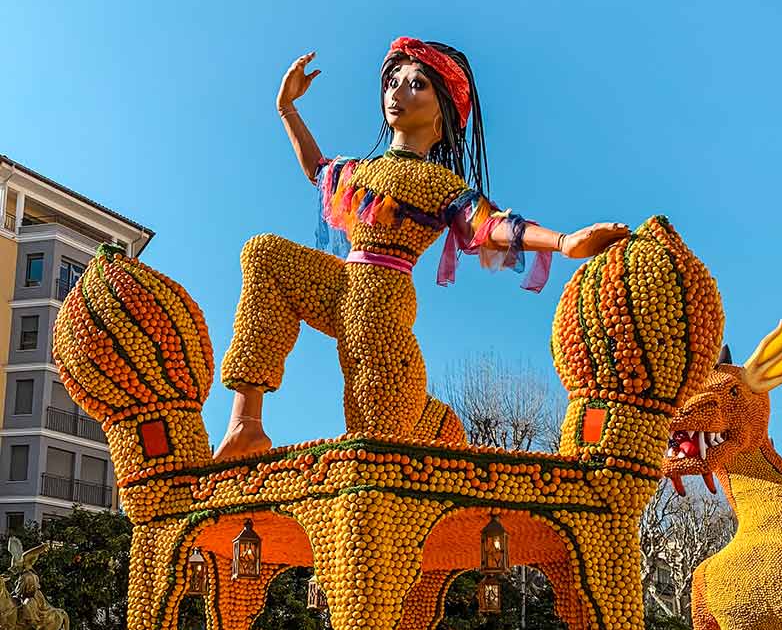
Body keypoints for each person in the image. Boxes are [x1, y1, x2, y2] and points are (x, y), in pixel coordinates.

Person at [215, 39, 629, 459]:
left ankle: (435, 428)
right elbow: (317, 171)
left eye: (416, 85)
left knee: (375, 447)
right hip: (342, 284)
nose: (397, 92)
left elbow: (488, 226)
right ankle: (246, 423)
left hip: (382, 306)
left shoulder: (440, 184)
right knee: (263, 253)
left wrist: (564, 242)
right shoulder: (363, 171)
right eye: (393, 82)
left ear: (443, 115)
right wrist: (287, 109)